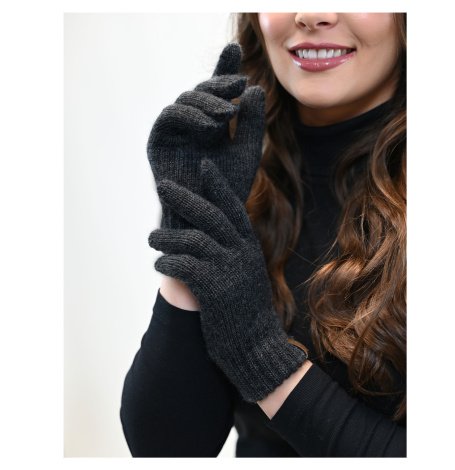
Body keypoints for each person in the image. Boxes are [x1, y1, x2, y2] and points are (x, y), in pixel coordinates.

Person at [120, 13, 406, 457]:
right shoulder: (231, 166)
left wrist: (260, 356)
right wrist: (192, 223)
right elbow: (166, 451)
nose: (311, 13)